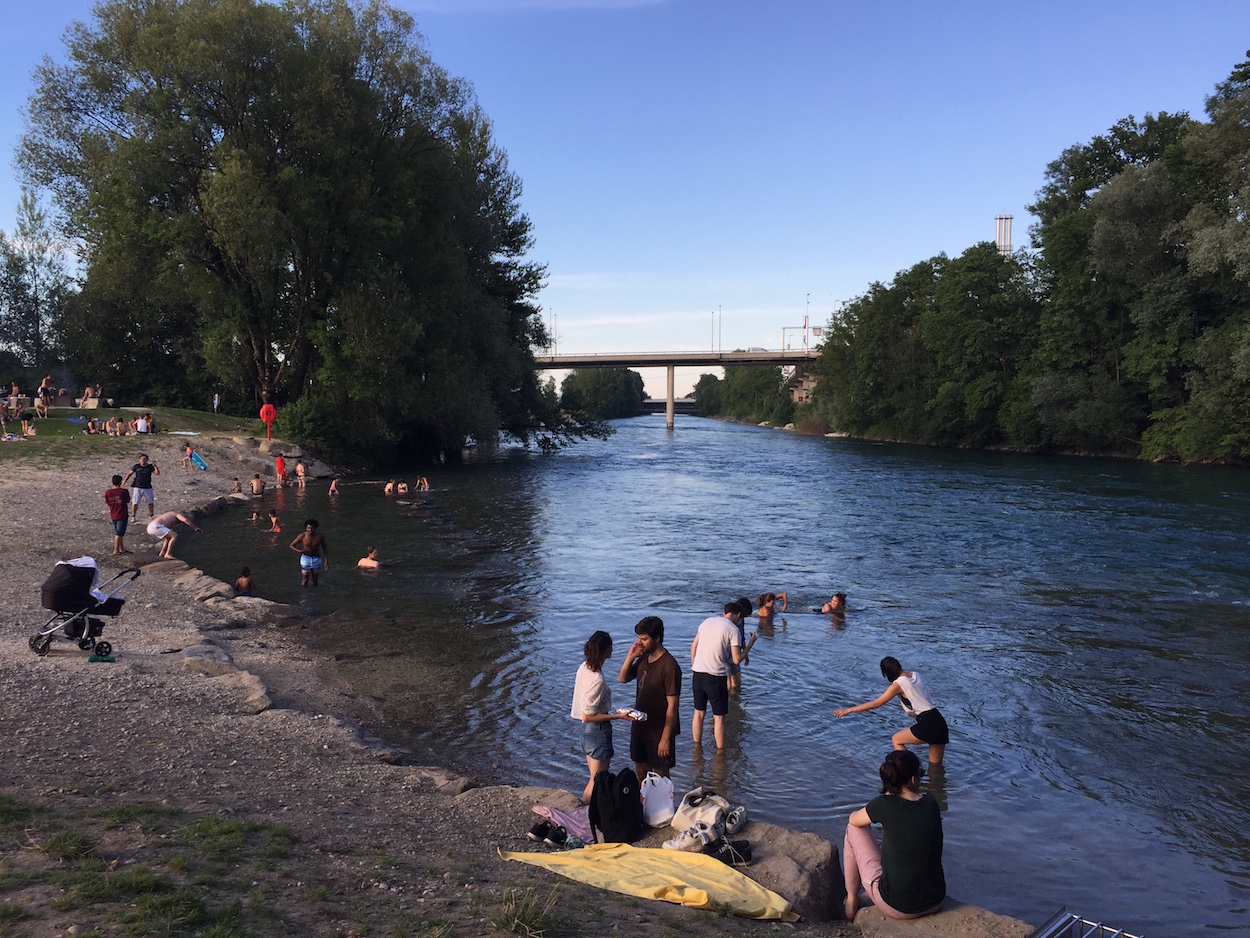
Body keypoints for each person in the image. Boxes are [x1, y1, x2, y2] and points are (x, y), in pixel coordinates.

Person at [843, 749, 945, 922]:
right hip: (936, 900)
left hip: (898, 906)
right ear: (914, 779)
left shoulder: (884, 805)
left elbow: (853, 820)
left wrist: (886, 799)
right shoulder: (931, 803)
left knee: (853, 829)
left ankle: (852, 899)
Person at [834, 657, 949, 766]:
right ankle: (936, 784)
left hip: (927, 723)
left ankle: (911, 770)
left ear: (886, 673)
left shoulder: (898, 685)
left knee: (897, 740)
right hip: (939, 721)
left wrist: (848, 710)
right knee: (935, 766)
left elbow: (875, 704)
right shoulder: (915, 675)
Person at [617, 616, 681, 781]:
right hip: (639, 727)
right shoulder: (643, 658)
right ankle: (642, 805)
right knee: (641, 772)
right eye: (638, 639)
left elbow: (672, 706)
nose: (640, 643)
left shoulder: (669, 666)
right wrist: (631, 657)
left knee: (661, 778)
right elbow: (623, 678)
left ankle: (662, 807)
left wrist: (665, 738)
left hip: (659, 732)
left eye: (644, 639)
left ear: (657, 638)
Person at [572, 630, 632, 803]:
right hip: (597, 732)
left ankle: (589, 813)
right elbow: (588, 716)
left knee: (593, 777)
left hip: (586, 734)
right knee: (596, 781)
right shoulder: (597, 679)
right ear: (606, 650)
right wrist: (618, 717)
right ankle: (584, 814)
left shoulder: (584, 668)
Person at [689, 600, 751, 749]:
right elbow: (736, 659)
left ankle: (696, 747)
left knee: (698, 714)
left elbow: (693, 647)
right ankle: (720, 752)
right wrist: (750, 645)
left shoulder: (706, 622)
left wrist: (695, 666)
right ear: (738, 615)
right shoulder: (733, 629)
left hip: (698, 673)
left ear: (725, 612)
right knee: (719, 718)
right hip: (715, 676)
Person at [289, 518, 329, 586]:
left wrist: (326, 562)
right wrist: (299, 551)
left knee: (315, 580)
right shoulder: (303, 535)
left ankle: (315, 594)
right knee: (305, 579)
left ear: (315, 528)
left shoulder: (320, 536)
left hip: (316, 558)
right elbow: (291, 545)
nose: (310, 530)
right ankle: (304, 595)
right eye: (308, 528)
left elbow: (325, 549)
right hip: (305, 558)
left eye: (312, 528)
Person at [122, 454, 159, 520]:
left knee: (150, 502)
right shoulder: (136, 466)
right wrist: (124, 481)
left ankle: (151, 515)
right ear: (139, 460)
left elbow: (157, 473)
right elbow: (129, 474)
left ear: (147, 460)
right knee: (135, 502)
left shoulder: (150, 467)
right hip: (138, 487)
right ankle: (133, 516)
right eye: (141, 459)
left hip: (148, 487)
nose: (143, 461)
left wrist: (155, 466)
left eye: (144, 459)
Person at [104, 474, 131, 555]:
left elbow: (108, 502)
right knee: (119, 533)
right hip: (122, 514)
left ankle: (121, 548)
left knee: (120, 532)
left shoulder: (108, 492)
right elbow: (128, 500)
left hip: (113, 514)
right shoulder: (123, 491)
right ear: (120, 482)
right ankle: (116, 550)